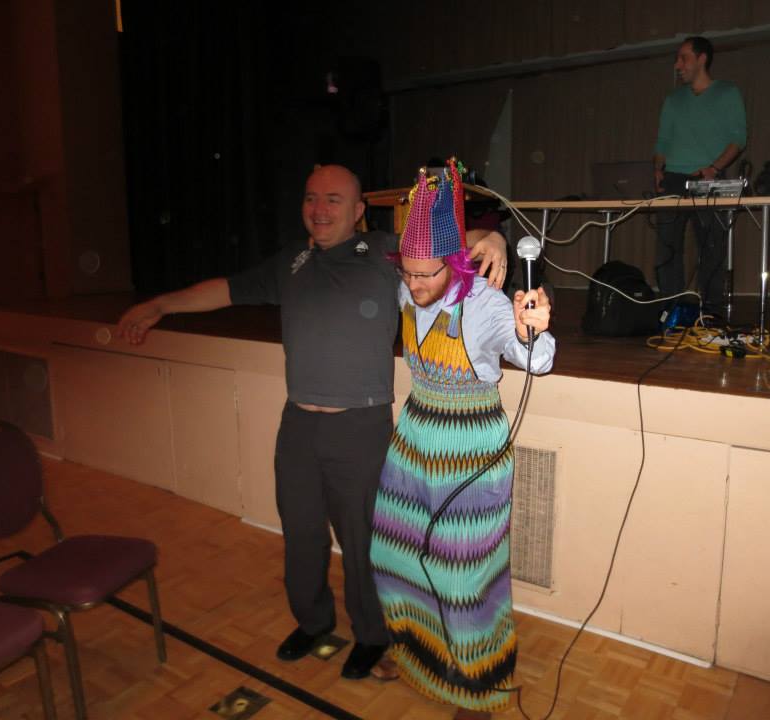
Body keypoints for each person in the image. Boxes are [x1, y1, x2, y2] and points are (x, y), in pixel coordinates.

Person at [117, 164, 508, 680]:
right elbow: (227, 289)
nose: (319, 210)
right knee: (301, 533)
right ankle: (314, 621)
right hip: (298, 424)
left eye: (333, 200)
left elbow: (448, 245)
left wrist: (492, 238)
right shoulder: (292, 262)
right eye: (311, 198)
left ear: (358, 210)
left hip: (360, 425)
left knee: (361, 541)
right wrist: (160, 305)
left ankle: (372, 635)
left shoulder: (384, 253)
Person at [369, 161, 555, 719]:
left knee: (463, 574)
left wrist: (531, 330)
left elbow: (536, 360)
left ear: (453, 265)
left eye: (425, 275)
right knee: (395, 553)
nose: (414, 285)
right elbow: (441, 249)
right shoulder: (410, 290)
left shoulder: (486, 305)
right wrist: (487, 236)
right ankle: (416, 653)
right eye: (406, 274)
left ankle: (478, 682)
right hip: (414, 440)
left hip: (471, 452)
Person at [653, 35, 747, 313]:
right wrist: (658, 167)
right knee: (667, 249)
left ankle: (711, 312)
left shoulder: (727, 92)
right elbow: (662, 142)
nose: (677, 65)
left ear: (702, 58)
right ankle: (671, 309)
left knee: (712, 248)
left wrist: (714, 168)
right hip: (672, 179)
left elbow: (738, 139)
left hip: (709, 179)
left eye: (684, 58)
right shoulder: (673, 99)